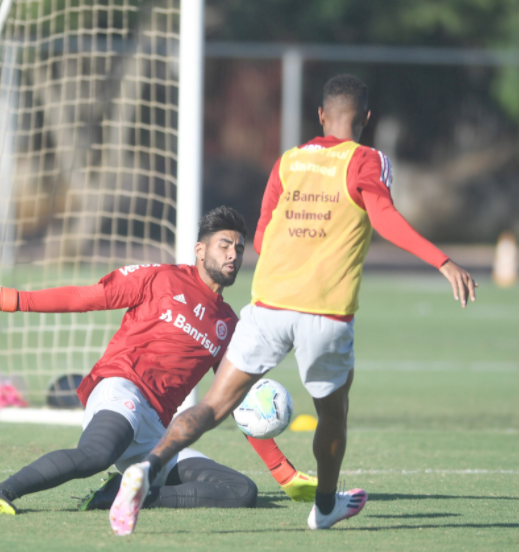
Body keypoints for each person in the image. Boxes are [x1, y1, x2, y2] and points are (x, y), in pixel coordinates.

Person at [109, 74, 479, 535]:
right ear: (366, 118)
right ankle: (324, 505)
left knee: (215, 404)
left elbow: (262, 237)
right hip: (324, 312)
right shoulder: (367, 160)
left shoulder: (288, 162)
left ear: (321, 116)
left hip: (267, 305)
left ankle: (146, 466)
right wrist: (442, 262)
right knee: (333, 415)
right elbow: (384, 217)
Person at [0, 206, 318, 516]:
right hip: (121, 389)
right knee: (95, 455)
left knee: (240, 491)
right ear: (200, 250)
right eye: (224, 246)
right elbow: (85, 297)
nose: (234, 255)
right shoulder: (159, 278)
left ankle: (127, 493)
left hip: (157, 427)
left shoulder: (228, 326)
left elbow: (235, 402)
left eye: (239, 247)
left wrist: (283, 473)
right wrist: (7, 298)